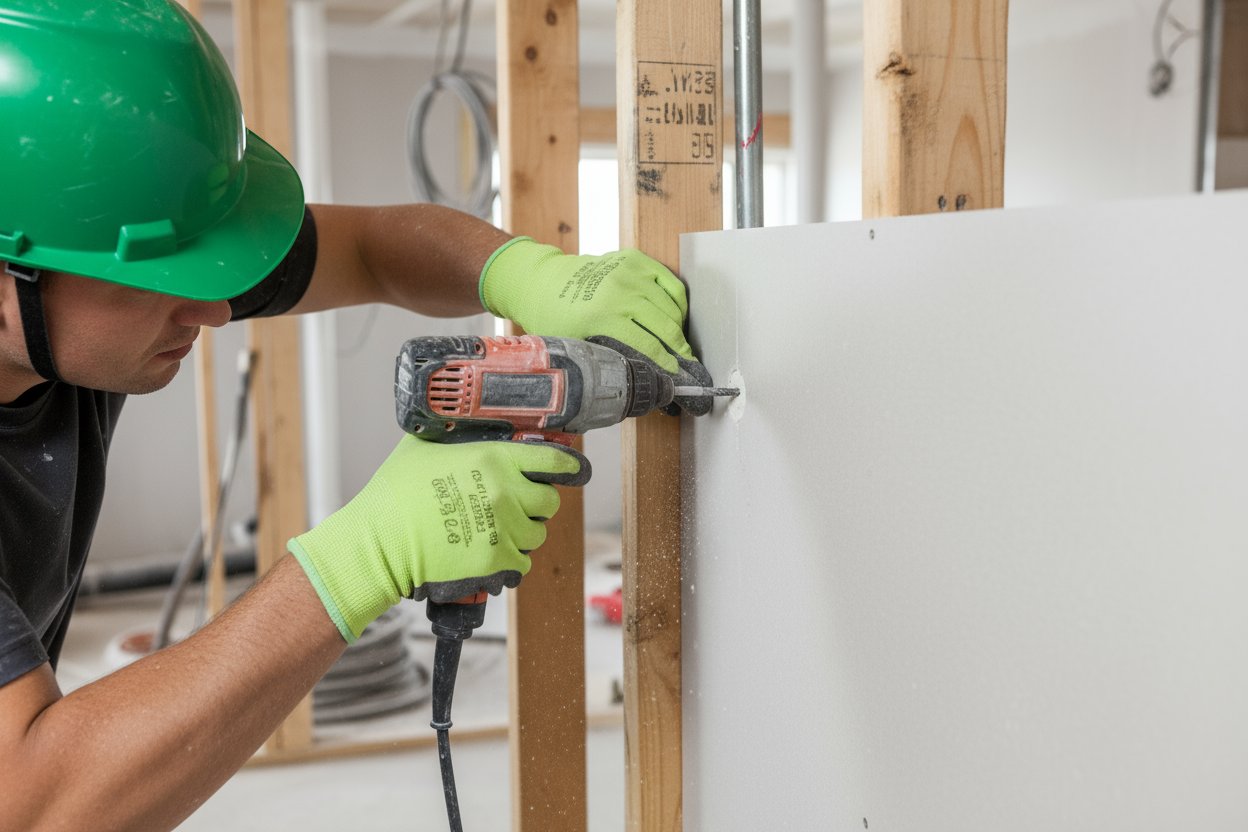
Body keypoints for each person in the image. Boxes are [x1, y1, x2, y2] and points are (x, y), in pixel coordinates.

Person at [0, 2, 700, 829]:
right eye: (159, 278)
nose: (216, 312)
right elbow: (34, 800)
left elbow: (370, 247)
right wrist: (361, 554)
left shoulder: (85, 273)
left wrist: (523, 273)